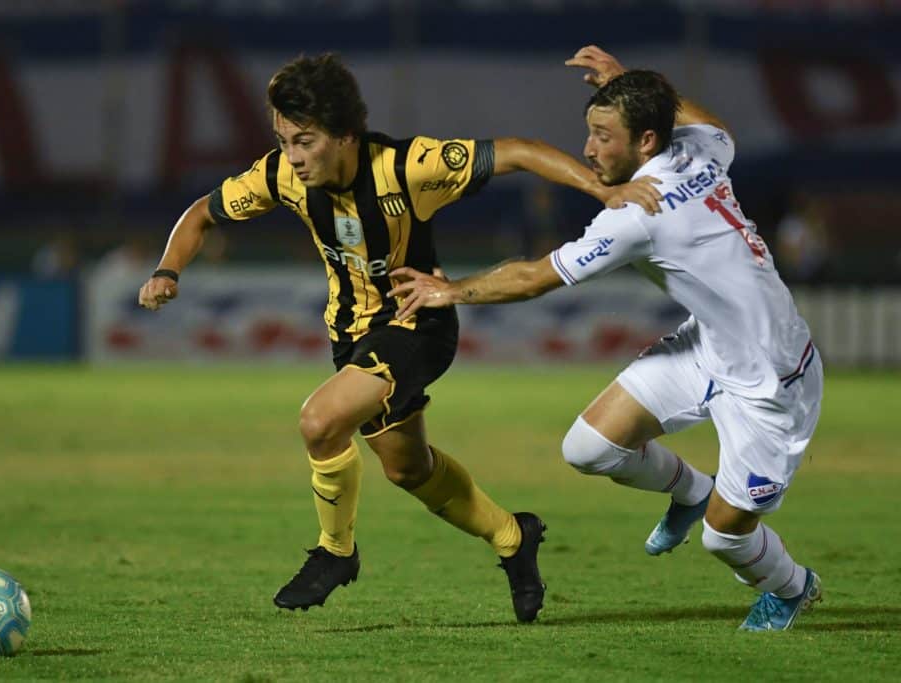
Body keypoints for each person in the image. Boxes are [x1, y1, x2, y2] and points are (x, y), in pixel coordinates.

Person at [138, 53, 660, 622]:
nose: (292, 156)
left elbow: (518, 150)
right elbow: (200, 214)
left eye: (304, 141)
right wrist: (169, 270)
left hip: (419, 322)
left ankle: (336, 553)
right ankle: (515, 537)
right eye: (284, 140)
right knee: (407, 468)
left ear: (344, 136)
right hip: (352, 336)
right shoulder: (280, 177)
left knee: (320, 420)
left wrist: (602, 191)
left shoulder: (408, 166)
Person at [389, 45, 824, 632]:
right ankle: (691, 491)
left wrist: (452, 290)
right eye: (588, 133)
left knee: (724, 540)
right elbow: (712, 125)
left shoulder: (637, 212)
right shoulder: (700, 149)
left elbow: (536, 277)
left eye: (602, 136)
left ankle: (792, 586)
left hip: (774, 381)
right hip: (708, 347)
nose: (589, 150)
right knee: (589, 449)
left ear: (646, 141)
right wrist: (628, 82)